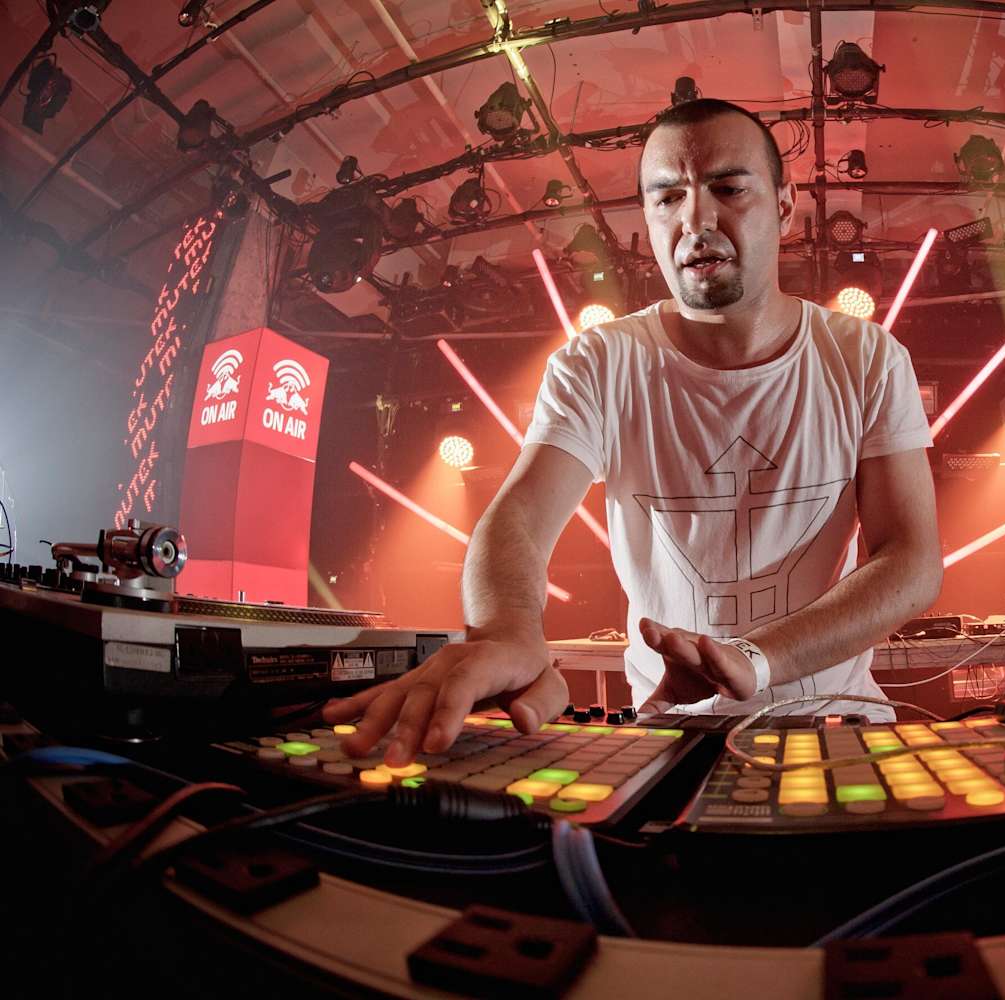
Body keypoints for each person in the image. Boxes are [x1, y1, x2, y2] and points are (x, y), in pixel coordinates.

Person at [326, 99, 941, 766]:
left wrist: (755, 659)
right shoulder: (598, 363)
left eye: (729, 189)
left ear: (786, 206)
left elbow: (910, 559)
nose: (696, 220)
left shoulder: (865, 357)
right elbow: (519, 520)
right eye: (667, 198)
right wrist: (505, 631)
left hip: (835, 724)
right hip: (670, 733)